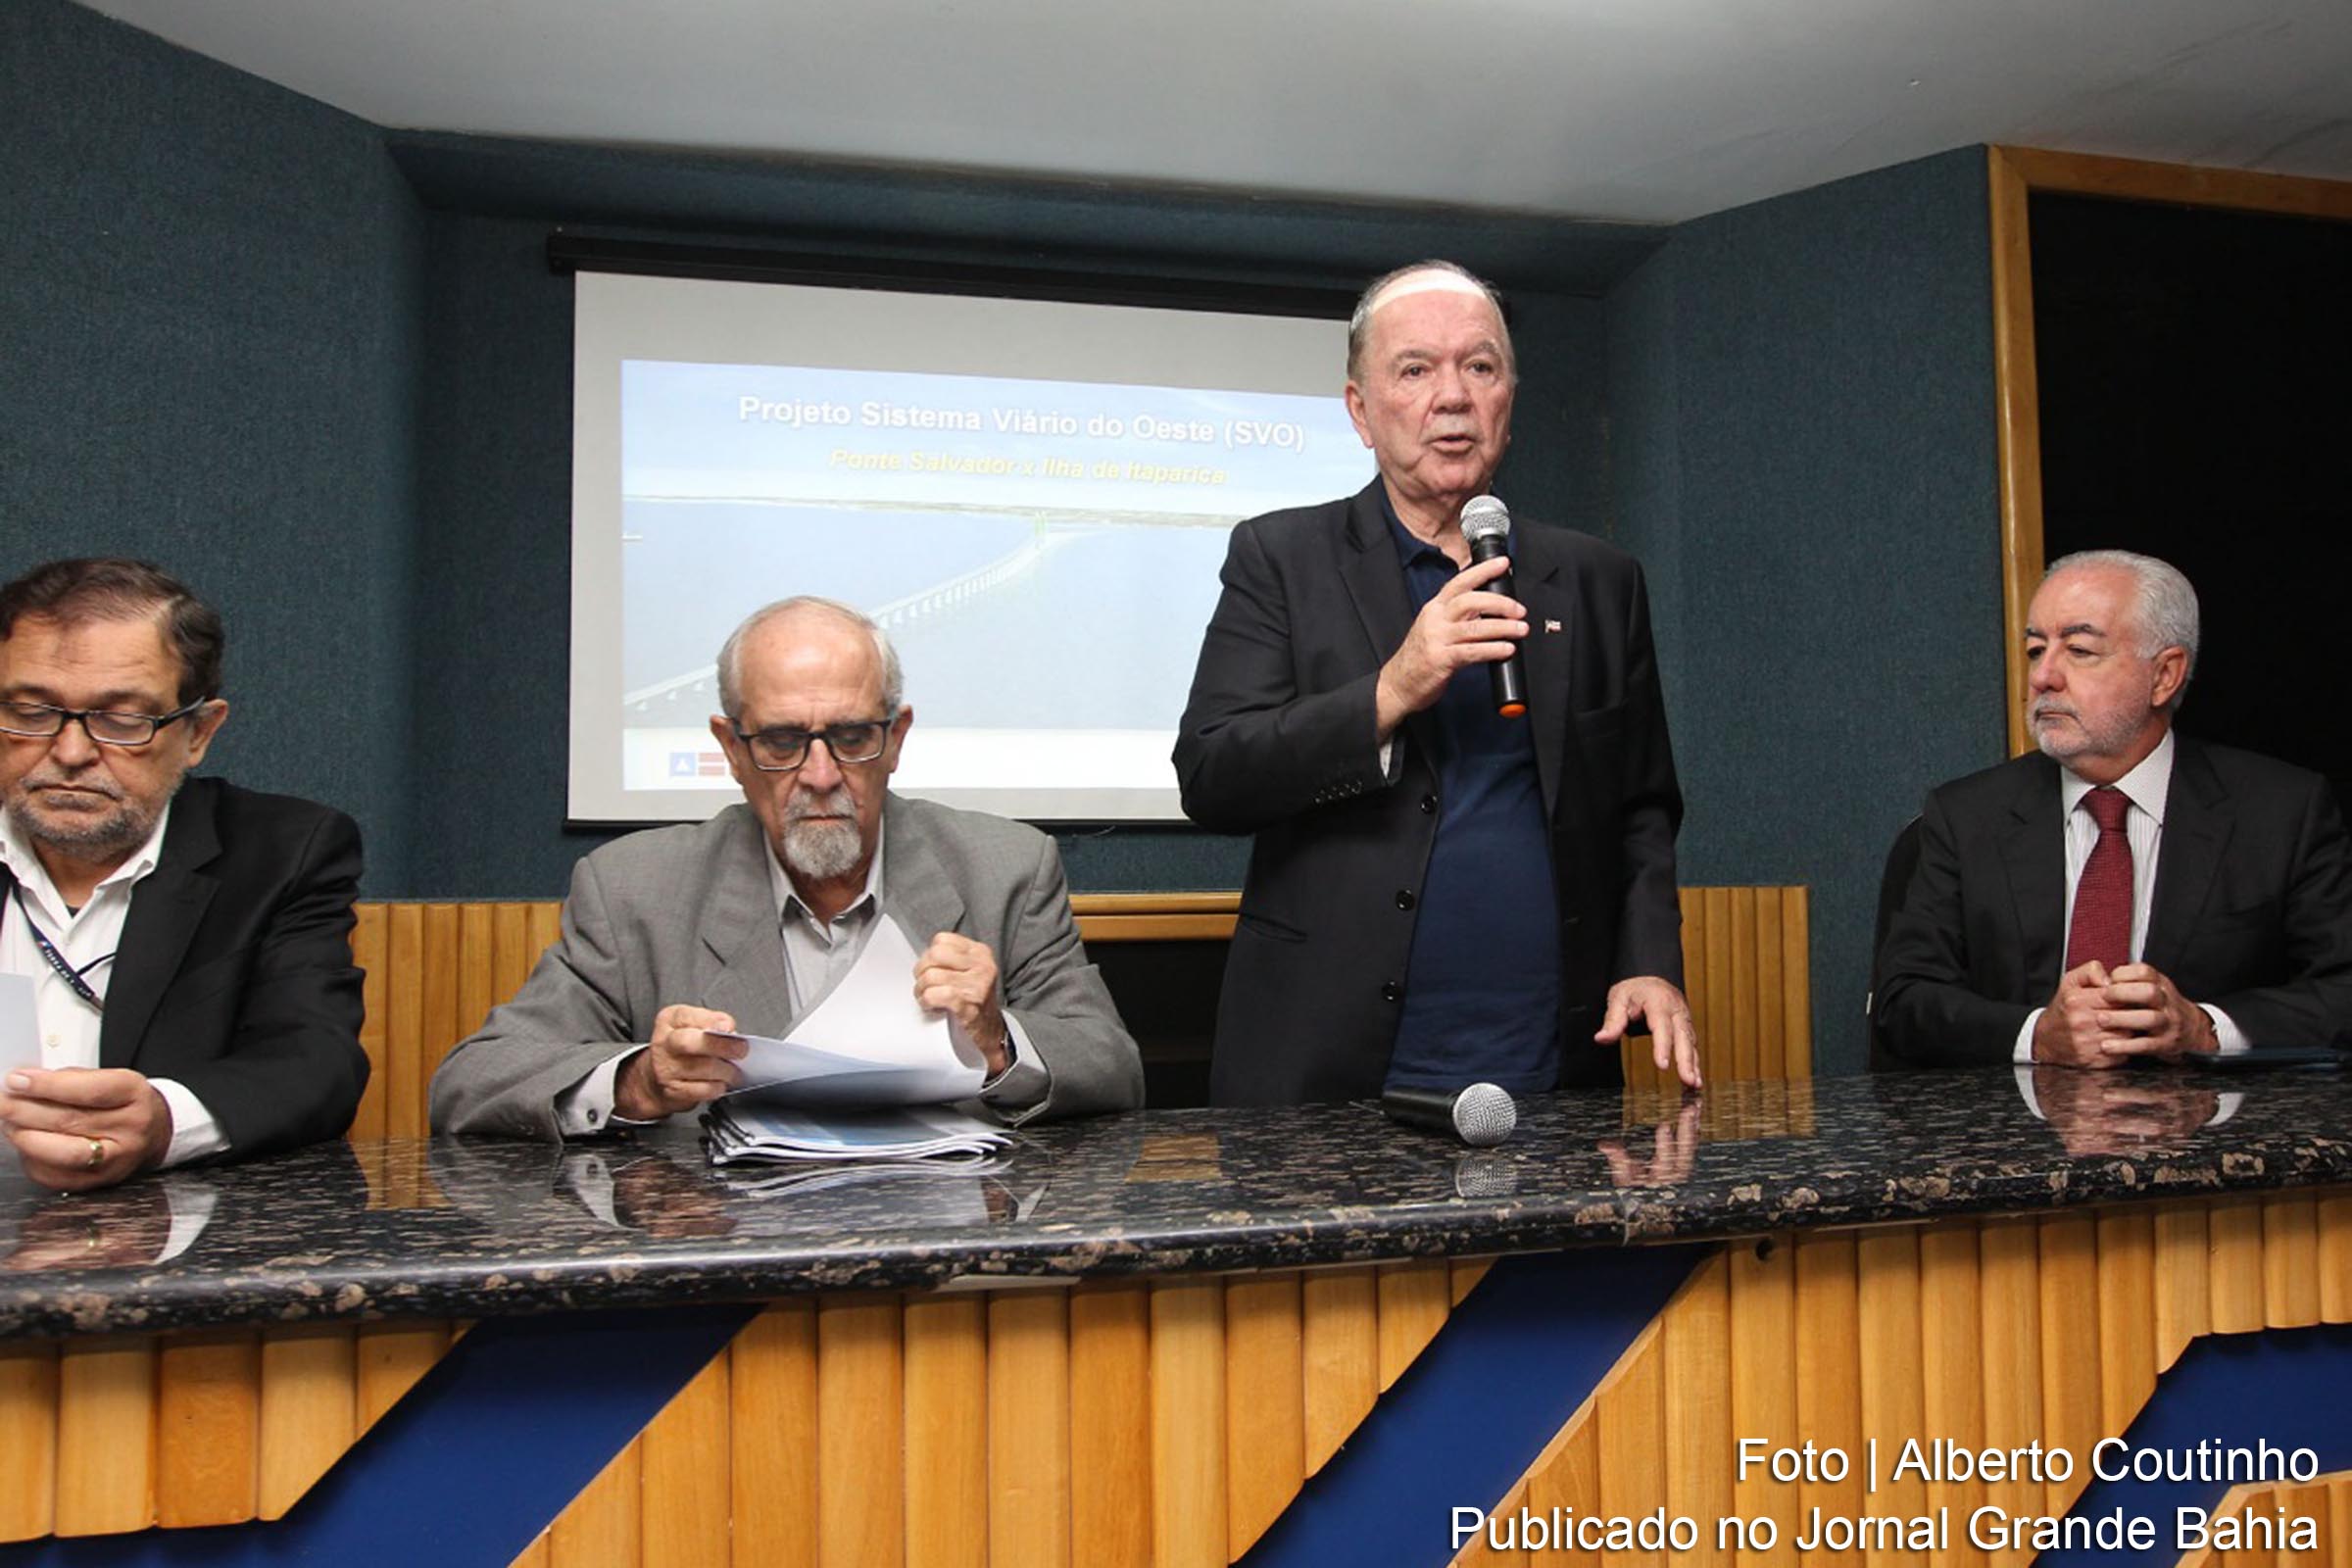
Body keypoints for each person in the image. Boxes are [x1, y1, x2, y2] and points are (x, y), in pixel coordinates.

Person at [1174, 260, 1696, 1106]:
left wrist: (1647, 961)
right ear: (1361, 412)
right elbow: (1211, 775)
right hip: (1329, 1063)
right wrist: (1390, 690)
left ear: (1509, 401)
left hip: (1551, 1057)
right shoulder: (1282, 559)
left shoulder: (1599, 578)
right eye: (1415, 370)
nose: (1451, 396)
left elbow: (1641, 805)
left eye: (1479, 367)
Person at [431, 597, 1143, 1137]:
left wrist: (996, 1039)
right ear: (732, 749)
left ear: (896, 739)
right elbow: (472, 1082)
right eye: (781, 741)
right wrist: (639, 1084)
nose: (821, 774)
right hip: (727, 1265)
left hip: (946, 1259)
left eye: (852, 736)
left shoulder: (1004, 868)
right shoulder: (634, 890)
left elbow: (1112, 1067)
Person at [1874, 550, 2352, 1067]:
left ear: (2164, 676)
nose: (2044, 677)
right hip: (2019, 1138)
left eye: (2078, 649)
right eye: (2036, 650)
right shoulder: (1965, 816)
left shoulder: (2281, 811)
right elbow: (1904, 1001)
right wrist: (2037, 1035)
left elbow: (2342, 986)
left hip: (2211, 1134)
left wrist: (2205, 1027)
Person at [0, 558, 368, 1192]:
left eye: (123, 721)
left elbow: (315, 1064)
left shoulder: (281, 852)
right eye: (31, 712)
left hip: (163, 1237)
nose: (70, 752)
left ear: (198, 732)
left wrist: (162, 1121)